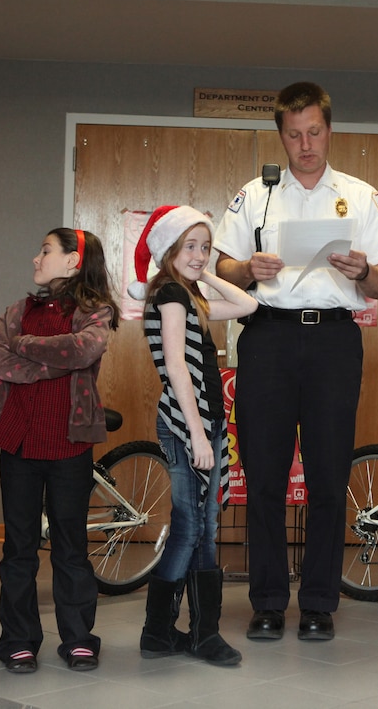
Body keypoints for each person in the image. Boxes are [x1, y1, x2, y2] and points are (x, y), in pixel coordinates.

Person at [214, 81, 378, 641]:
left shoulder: (362, 196)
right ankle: (268, 601)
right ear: (281, 136)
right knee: (264, 475)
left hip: (333, 344)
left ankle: (319, 602)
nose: (305, 144)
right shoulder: (255, 195)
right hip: (267, 339)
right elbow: (220, 269)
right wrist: (249, 269)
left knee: (327, 475)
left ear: (329, 130)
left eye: (314, 132)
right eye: (294, 135)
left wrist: (364, 272)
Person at [127, 205, 258, 666]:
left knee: (205, 528)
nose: (200, 254)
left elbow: (248, 305)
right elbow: (178, 369)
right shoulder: (169, 295)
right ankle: (169, 632)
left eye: (205, 246)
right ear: (167, 249)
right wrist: (199, 437)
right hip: (189, 424)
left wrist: (205, 274)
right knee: (190, 530)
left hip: (203, 422)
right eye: (190, 246)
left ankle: (184, 634)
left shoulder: (187, 296)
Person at [0, 227, 119, 673]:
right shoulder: (17, 310)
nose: (35, 258)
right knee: (18, 548)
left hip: (69, 443)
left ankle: (79, 638)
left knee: (71, 546)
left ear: (73, 261)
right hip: (20, 442)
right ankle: (18, 640)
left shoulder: (95, 311)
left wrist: (26, 350)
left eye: (45, 250)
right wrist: (49, 363)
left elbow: (82, 351)